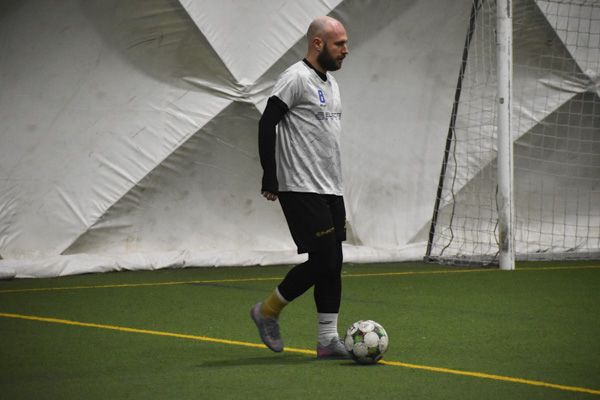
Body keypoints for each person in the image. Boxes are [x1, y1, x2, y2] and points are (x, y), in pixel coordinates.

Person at [251, 15, 350, 360]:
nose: (346, 50)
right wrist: (270, 174)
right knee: (324, 259)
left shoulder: (332, 83)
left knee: (333, 262)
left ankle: (327, 341)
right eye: (339, 44)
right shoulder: (294, 78)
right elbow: (267, 123)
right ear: (318, 43)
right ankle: (267, 311)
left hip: (331, 188)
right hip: (300, 186)